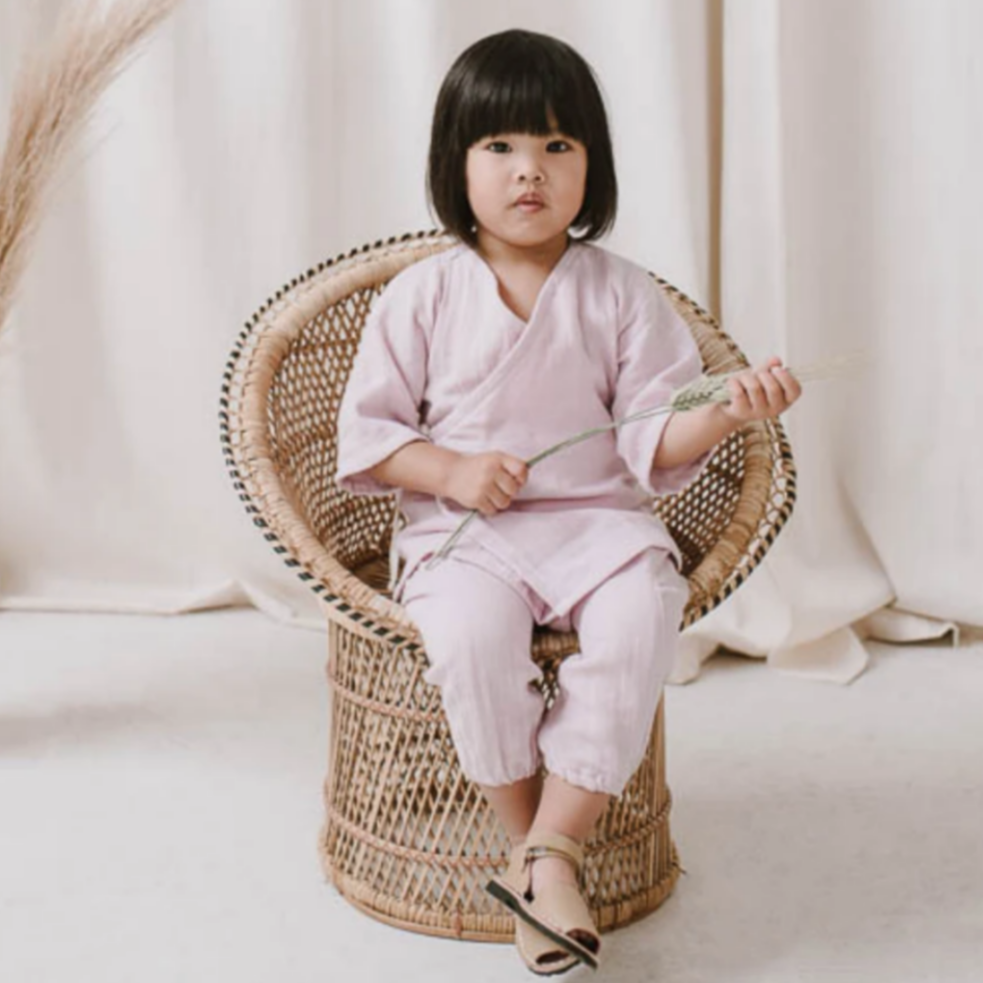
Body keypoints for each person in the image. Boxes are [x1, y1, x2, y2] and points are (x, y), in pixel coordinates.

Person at [335, 28, 801, 975]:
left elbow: (651, 438)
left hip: (600, 530)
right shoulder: (419, 296)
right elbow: (373, 438)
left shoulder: (623, 296)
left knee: (639, 624)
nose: (528, 173)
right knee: (470, 639)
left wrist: (726, 413)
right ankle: (533, 844)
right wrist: (453, 471)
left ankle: (550, 847)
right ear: (452, 165)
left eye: (558, 146)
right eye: (499, 147)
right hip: (465, 537)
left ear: (593, 164)